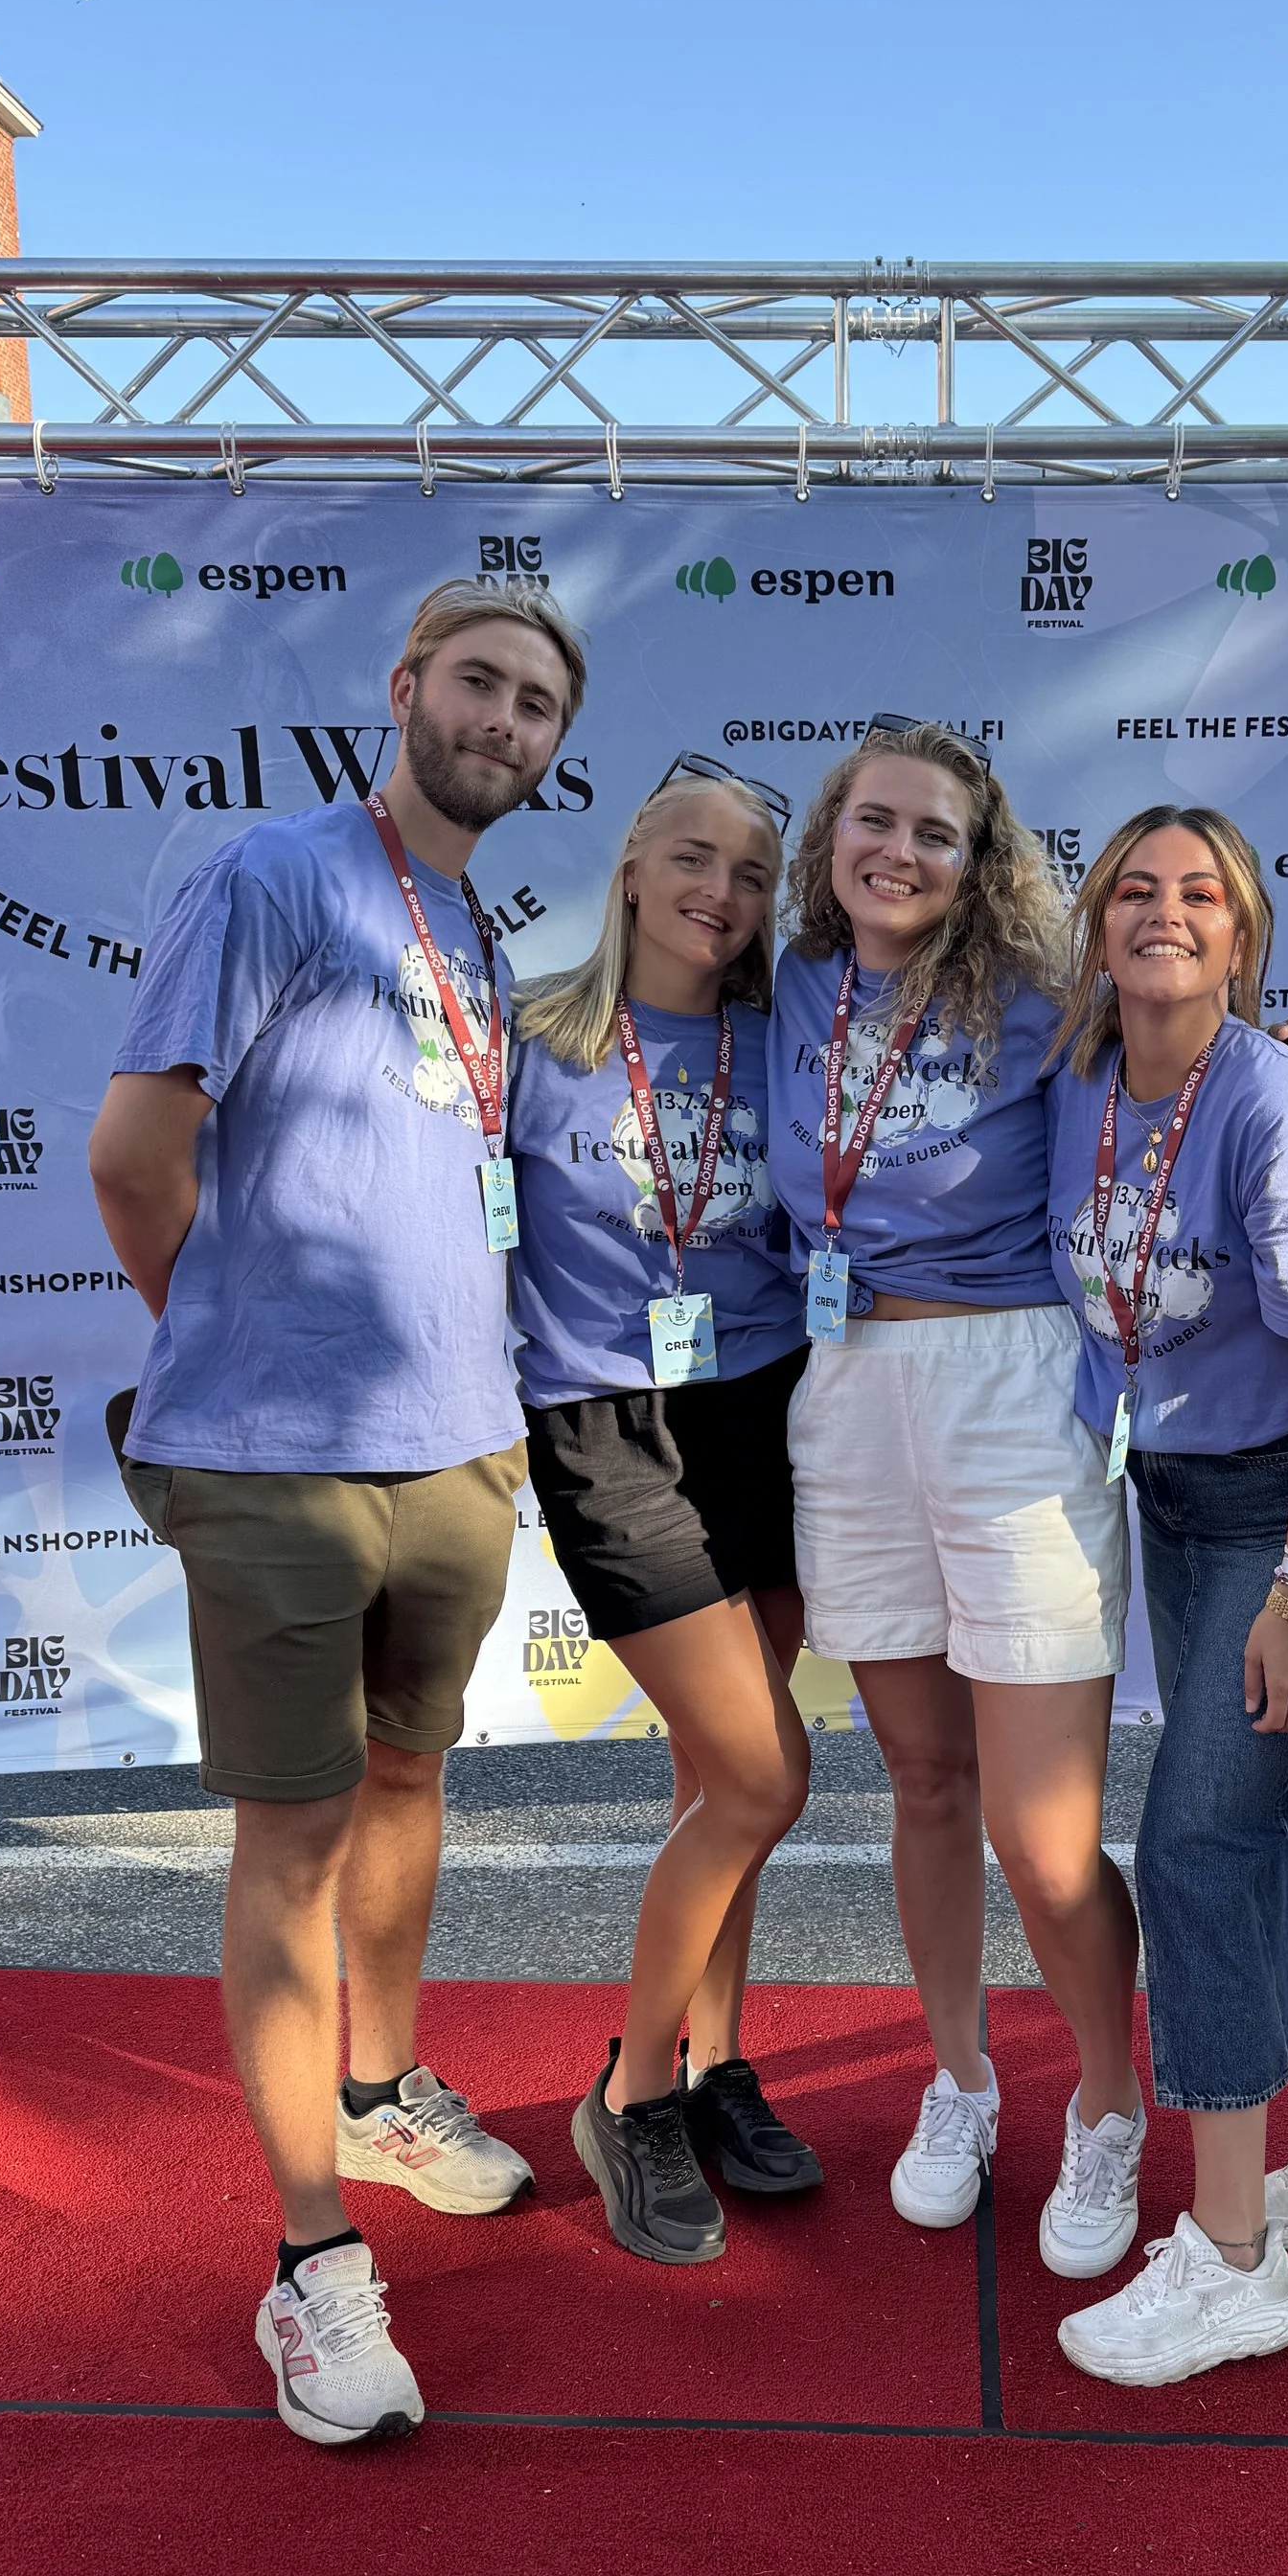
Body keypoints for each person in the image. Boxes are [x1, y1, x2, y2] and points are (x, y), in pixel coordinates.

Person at [88, 576, 586, 2450]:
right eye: (479, 682)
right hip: (279, 1460)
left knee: (405, 1779)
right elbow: (138, 1155)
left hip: (454, 1457)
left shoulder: (463, 920)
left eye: (536, 702)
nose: (504, 720)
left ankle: (378, 2091)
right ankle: (310, 2264)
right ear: (405, 688)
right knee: (289, 1842)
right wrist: (224, 1343)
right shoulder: (271, 876)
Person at [768, 724, 1288, 2281]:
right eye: (873, 821)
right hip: (846, 1390)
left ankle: (1107, 2104)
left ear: (982, 862)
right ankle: (957, 2082)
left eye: (937, 833)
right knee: (922, 1781)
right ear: (831, 837)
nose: (899, 852)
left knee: (1044, 1830)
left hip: (1015, 1396)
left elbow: (1190, 1065)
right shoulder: (781, 995)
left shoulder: (1051, 1005)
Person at [1040, 809, 1288, 2387]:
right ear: (1099, 926)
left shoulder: (1282, 1114)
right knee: (1287, 1816)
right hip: (1178, 1497)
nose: (1166, 914)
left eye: (1202, 894)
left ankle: (1229, 2254)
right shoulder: (1085, 1079)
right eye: (1136, 889)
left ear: (1246, 936)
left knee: (1196, 1845)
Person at [508, 754, 819, 2268]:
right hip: (604, 1428)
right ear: (630, 865)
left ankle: (711, 2065)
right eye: (693, 858)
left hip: (769, 1412)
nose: (722, 893)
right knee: (765, 1779)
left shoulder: (792, 1043)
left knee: (716, 1775)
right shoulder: (526, 1040)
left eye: (753, 873)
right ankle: (628, 2091)